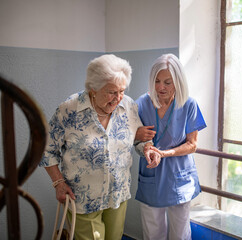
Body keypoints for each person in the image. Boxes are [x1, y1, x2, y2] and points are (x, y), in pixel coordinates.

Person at [39, 54, 160, 240]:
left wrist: (148, 149)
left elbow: (137, 139)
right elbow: (47, 149)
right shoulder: (69, 109)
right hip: (82, 198)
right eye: (111, 92)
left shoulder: (128, 106)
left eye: (121, 91)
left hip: (117, 195)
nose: (118, 98)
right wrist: (58, 183)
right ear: (93, 88)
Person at [135, 53, 207, 240]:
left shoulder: (189, 104)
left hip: (179, 176)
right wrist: (139, 138)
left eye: (167, 82)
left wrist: (165, 153)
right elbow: (129, 135)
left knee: (180, 234)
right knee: (152, 233)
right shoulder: (142, 104)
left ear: (178, 81)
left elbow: (192, 145)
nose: (160, 87)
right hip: (152, 174)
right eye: (157, 81)